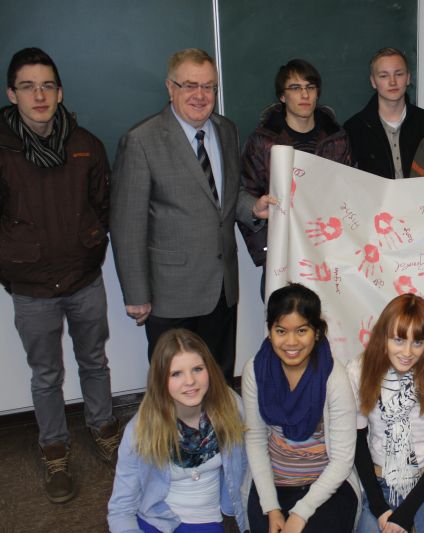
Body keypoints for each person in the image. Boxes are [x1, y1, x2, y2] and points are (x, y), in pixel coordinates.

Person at [110, 48, 274, 384]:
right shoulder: (141, 141)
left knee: (218, 379)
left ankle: (219, 437)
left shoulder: (226, 131)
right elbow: (127, 225)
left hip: (222, 288)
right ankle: (173, 439)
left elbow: (226, 196)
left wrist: (253, 207)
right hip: (171, 295)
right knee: (176, 386)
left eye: (209, 86)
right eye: (189, 85)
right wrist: (136, 294)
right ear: (170, 88)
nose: (200, 95)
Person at [0, 47, 119, 503]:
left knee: (95, 361)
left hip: (84, 279)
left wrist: (92, 246)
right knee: (46, 375)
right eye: (28, 86)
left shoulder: (86, 144)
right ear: (12, 94)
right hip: (31, 288)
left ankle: (103, 428)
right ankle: (55, 451)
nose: (39, 95)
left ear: (60, 91)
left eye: (47, 85)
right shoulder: (4, 150)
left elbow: (103, 208)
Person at [243, 283, 359, 533]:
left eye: (302, 330)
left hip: (326, 488)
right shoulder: (256, 370)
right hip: (273, 484)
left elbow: (342, 460)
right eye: (281, 330)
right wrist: (271, 507)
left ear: (317, 332)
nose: (291, 342)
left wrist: (300, 514)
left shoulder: (333, 376)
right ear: (270, 331)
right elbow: (255, 439)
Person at [108, 329, 249, 533]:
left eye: (198, 369)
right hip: (155, 516)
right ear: (160, 380)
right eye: (176, 374)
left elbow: (249, 465)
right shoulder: (141, 429)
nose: (190, 381)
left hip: (203, 520)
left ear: (210, 369)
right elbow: (121, 508)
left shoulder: (231, 407)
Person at [347, 294, 424, 533]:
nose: (408, 352)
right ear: (383, 337)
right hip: (380, 479)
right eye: (398, 340)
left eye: (418, 342)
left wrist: (405, 513)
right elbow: (357, 441)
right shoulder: (358, 371)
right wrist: (380, 507)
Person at [240, 59, 351, 296]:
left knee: (327, 326)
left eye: (310, 87)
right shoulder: (263, 141)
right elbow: (245, 193)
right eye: (295, 88)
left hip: (327, 253)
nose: (304, 94)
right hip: (282, 255)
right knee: (281, 325)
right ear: (282, 96)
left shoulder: (337, 138)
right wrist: (267, 251)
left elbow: (351, 193)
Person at [344, 47, 424, 179]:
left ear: (408, 78)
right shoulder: (353, 129)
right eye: (384, 76)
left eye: (399, 74)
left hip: (421, 199)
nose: (392, 82)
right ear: (373, 82)